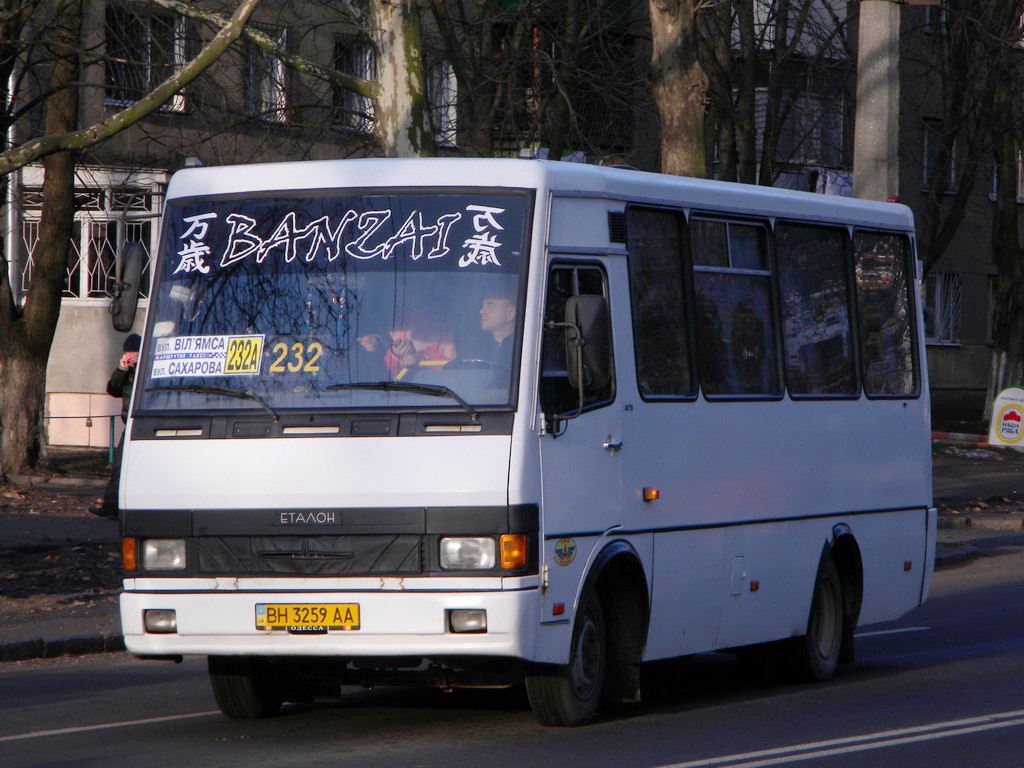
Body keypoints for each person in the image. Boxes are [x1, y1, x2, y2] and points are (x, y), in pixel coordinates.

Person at [90, 333, 140, 520]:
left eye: (133, 352)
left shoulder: (144, 371)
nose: (129, 356)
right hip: (129, 425)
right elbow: (113, 389)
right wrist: (121, 369)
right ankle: (111, 507)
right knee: (119, 467)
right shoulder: (127, 373)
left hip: (142, 422)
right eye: (127, 352)